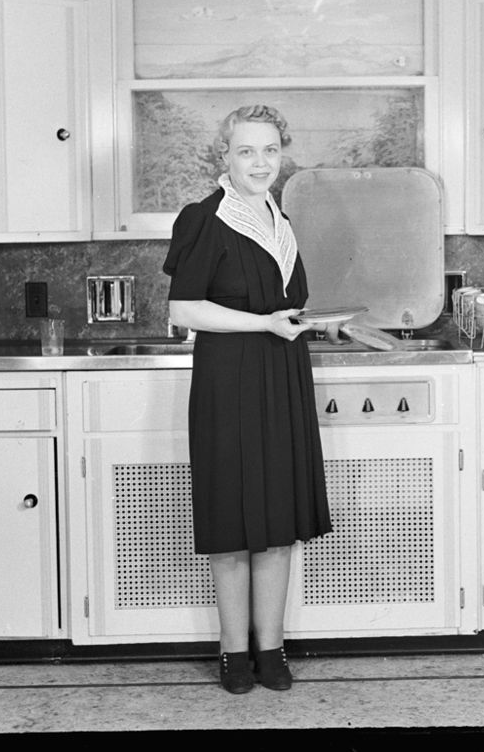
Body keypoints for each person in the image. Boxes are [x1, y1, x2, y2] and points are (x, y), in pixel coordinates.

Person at [162, 104, 332, 694]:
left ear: (281, 155)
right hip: (229, 380)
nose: (260, 163)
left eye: (269, 151)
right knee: (234, 521)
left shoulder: (276, 216)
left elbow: (281, 302)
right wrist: (266, 325)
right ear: (224, 157)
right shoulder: (204, 219)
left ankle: (272, 651)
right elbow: (184, 310)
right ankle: (234, 655)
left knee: (277, 519)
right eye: (246, 152)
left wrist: (313, 322)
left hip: (282, 373)